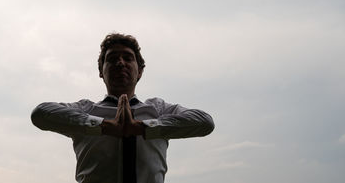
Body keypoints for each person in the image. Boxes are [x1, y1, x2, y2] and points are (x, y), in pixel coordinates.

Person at [31, 33, 214, 183]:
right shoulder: (86, 109)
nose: (120, 63)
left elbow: (205, 122)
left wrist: (142, 127)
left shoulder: (157, 109)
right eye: (112, 59)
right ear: (101, 72)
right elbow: (40, 113)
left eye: (128, 58)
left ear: (140, 71)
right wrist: (103, 126)